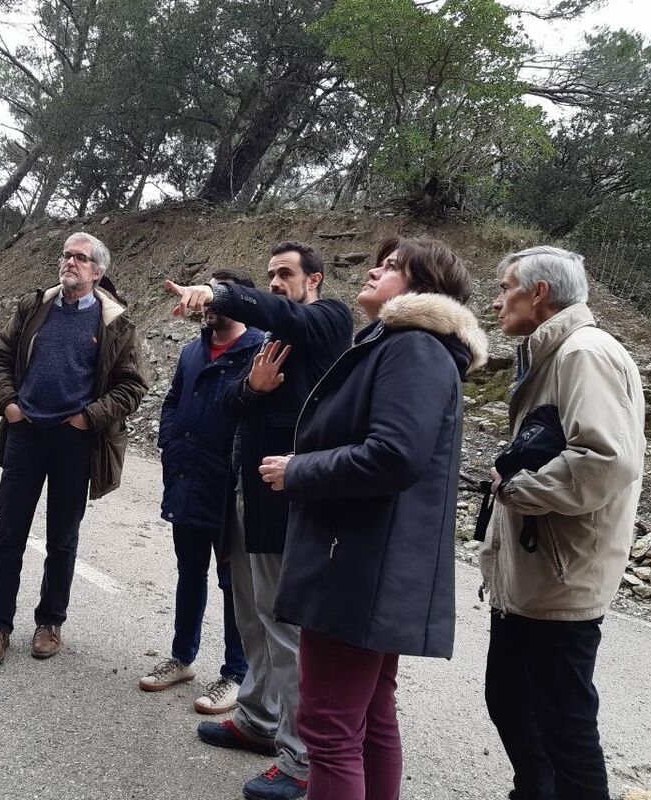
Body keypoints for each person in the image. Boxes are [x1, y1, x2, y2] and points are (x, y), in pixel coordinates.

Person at [259, 236, 486, 800]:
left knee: (330, 731)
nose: (372, 272)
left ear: (423, 288)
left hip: (355, 565)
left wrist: (300, 470)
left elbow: (394, 455)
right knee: (369, 718)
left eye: (391, 267)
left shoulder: (411, 348)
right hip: (367, 561)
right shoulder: (405, 345)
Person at [166, 242, 353, 800]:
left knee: (284, 628)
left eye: (285, 273)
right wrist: (253, 386)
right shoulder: (270, 341)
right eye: (269, 273)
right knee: (250, 615)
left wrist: (222, 295)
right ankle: (257, 720)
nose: (275, 282)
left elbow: (283, 314)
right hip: (244, 494)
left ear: (314, 280)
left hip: (287, 500)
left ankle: (300, 759)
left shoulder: (327, 320)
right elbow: (227, 401)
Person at [482, 245, 645, 800]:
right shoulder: (551, 355)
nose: (497, 300)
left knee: (565, 724)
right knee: (509, 699)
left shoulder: (585, 353)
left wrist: (521, 491)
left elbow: (608, 460)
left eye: (506, 288)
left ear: (539, 293)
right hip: (534, 575)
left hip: (561, 575)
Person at [0, 231, 148, 667]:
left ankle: (50, 622)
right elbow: (0, 357)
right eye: (66, 255)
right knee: (9, 532)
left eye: (80, 258)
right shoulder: (34, 307)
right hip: (26, 435)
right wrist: (9, 404)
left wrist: (87, 418)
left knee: (62, 539)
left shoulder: (116, 324)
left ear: (98, 271)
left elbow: (132, 386)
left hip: (76, 442)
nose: (69, 262)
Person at [140, 269, 264, 715]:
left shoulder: (260, 350)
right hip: (189, 481)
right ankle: (182, 658)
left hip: (232, 489)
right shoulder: (193, 351)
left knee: (235, 584)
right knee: (188, 572)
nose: (204, 303)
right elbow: (173, 400)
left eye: (214, 296)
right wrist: (169, 444)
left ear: (237, 300)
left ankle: (236, 673)